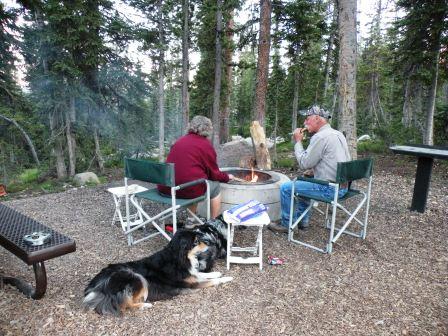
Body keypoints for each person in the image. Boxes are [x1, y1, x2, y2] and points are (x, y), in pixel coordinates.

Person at [268, 106, 351, 233]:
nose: (304, 123)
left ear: (317, 118)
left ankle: (287, 225)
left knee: (286, 188)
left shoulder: (320, 137)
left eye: (307, 119)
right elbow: (335, 161)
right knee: (307, 179)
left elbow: (304, 163)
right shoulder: (338, 134)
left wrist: (298, 141)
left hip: (330, 189)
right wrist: (315, 171)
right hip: (344, 187)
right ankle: (302, 220)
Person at [157, 115, 234, 219]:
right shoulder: (205, 145)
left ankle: (191, 220)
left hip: (166, 188)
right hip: (185, 191)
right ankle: (213, 223)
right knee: (214, 186)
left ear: (191, 126)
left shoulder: (179, 141)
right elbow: (214, 174)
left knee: (193, 181)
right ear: (208, 129)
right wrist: (227, 177)